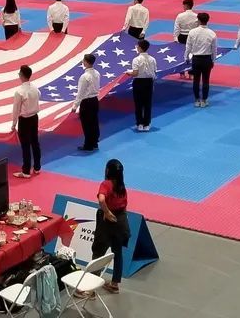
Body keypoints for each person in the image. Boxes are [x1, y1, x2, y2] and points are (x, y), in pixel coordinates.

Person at [92, 159, 129, 295]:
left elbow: (102, 199)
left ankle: (89, 290)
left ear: (108, 171)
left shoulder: (106, 184)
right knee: (117, 252)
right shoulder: (122, 186)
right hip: (121, 221)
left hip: (107, 222)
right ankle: (114, 284)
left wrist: (106, 212)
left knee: (98, 253)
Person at [10, 65, 41, 177]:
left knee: (25, 145)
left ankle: (26, 171)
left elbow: (16, 109)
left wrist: (13, 124)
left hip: (24, 120)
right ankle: (37, 167)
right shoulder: (35, 88)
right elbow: (39, 96)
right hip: (34, 117)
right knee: (35, 142)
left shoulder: (19, 92)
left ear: (21, 75)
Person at [186, 12, 218, 108]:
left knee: (196, 80)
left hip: (196, 58)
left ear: (198, 20)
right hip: (207, 59)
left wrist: (186, 57)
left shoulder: (192, 32)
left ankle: (196, 100)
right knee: (206, 80)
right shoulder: (212, 33)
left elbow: (188, 47)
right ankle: (204, 100)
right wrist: (213, 60)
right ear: (207, 20)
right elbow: (214, 49)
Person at [128, 40, 156, 132]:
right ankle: (146, 124)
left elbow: (135, 73)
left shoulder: (136, 59)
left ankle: (140, 124)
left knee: (138, 103)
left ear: (140, 48)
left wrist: (129, 73)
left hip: (139, 82)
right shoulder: (152, 59)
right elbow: (154, 71)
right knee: (147, 104)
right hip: (149, 82)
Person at [76, 53, 101, 152]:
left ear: (86, 62)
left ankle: (88, 144)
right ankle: (94, 142)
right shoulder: (97, 73)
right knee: (94, 122)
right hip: (95, 100)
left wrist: (75, 105)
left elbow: (80, 93)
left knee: (87, 124)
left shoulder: (84, 76)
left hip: (86, 102)